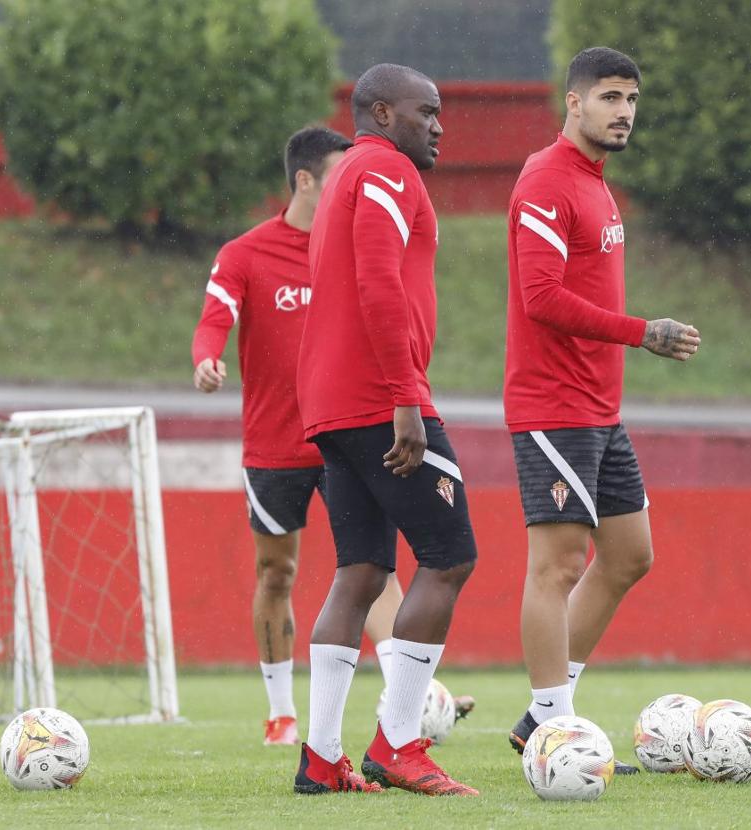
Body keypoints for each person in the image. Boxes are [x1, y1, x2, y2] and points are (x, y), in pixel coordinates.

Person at [503, 47, 701, 772]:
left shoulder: (593, 182)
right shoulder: (548, 181)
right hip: (553, 406)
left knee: (628, 557)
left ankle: (541, 716)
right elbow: (540, 298)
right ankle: (557, 725)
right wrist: (640, 332)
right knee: (557, 564)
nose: (624, 111)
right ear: (574, 102)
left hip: (598, 407)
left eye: (632, 98)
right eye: (610, 97)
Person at [292, 63, 478, 797]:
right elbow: (377, 281)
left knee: (362, 572)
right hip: (380, 400)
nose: (438, 124)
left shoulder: (343, 177)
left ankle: (320, 757)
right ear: (380, 112)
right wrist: (407, 396)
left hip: (335, 405)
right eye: (425, 110)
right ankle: (399, 743)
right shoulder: (387, 172)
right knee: (450, 555)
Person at [191, 127, 409, 747]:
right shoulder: (245, 253)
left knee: (375, 568)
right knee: (277, 572)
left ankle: (406, 699)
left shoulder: (356, 247)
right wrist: (207, 358)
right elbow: (215, 318)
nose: (352, 186)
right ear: (306, 180)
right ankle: (281, 712)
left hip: (349, 434)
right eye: (341, 174)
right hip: (276, 445)